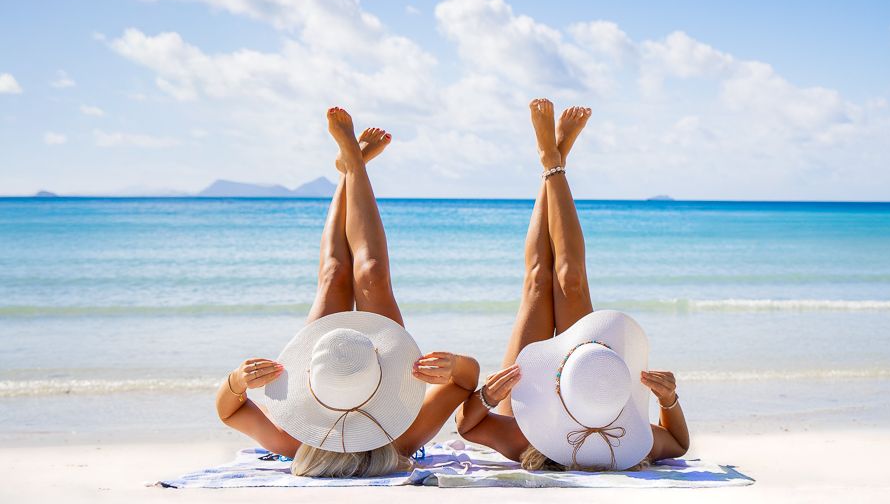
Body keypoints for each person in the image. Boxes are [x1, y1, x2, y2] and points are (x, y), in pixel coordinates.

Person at [215, 107, 479, 477]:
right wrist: (455, 364)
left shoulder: (293, 441)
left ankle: (351, 166)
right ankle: (353, 162)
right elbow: (468, 380)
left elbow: (228, 410)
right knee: (370, 272)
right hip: (380, 360)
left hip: (328, 354)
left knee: (334, 274)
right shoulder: (402, 436)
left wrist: (236, 381)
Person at [455, 99, 690, 471]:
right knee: (571, 281)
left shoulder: (523, 438)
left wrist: (486, 395)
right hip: (585, 366)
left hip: (525, 396)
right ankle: (554, 161)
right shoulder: (623, 443)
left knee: (537, 281)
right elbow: (678, 443)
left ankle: (551, 159)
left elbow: (467, 427)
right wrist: (669, 400)